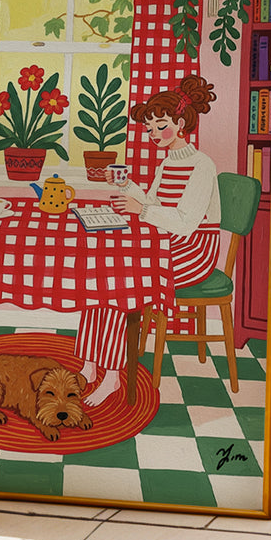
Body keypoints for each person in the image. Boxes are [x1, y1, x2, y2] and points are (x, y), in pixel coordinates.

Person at [76, 74, 221, 407]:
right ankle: (89, 363)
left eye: (161, 125)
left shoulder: (202, 166)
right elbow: (154, 204)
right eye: (150, 128)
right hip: (168, 241)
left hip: (194, 249)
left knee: (122, 281)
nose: (154, 133)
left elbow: (186, 223)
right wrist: (126, 186)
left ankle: (112, 375)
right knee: (102, 272)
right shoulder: (168, 162)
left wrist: (140, 210)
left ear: (181, 123)